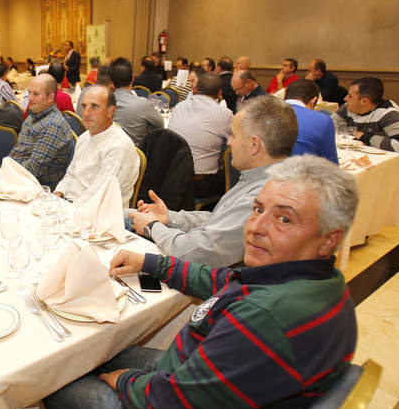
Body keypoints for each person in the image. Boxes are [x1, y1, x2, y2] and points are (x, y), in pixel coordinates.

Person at [45, 153, 359, 409]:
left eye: (284, 218)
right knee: (95, 352)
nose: (256, 226)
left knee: (54, 374)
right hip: (200, 403)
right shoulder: (314, 280)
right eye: (257, 209)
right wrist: (152, 262)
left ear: (328, 239)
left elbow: (167, 404)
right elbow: (223, 279)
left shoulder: (265, 319)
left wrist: (120, 381)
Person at [129, 96, 296, 267]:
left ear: (254, 144)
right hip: (205, 259)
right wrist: (170, 217)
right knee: (126, 215)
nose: (229, 142)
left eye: (233, 135)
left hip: (215, 280)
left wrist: (152, 227)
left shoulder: (264, 195)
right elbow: (219, 220)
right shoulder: (260, 178)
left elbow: (199, 252)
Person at [54, 85, 139, 207]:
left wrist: (64, 211)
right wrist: (56, 196)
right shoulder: (84, 137)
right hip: (69, 205)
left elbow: (98, 196)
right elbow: (71, 175)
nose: (86, 113)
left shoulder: (119, 147)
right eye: (84, 106)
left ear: (111, 111)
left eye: (94, 107)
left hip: (98, 214)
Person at [168, 73, 233, 198]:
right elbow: (234, 142)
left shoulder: (179, 107)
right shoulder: (225, 114)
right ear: (220, 93)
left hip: (172, 177)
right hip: (199, 183)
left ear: (196, 89)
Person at [9, 73, 74, 190]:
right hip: (19, 178)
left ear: (50, 97)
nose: (29, 98)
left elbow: (33, 169)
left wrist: (7, 173)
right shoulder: (33, 116)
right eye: (29, 93)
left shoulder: (53, 126)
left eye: (36, 94)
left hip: (38, 189)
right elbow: (17, 151)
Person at [333, 77, 399, 153]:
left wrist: (364, 136)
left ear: (364, 101)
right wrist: (353, 133)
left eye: (350, 96)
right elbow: (328, 126)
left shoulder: (389, 115)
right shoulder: (347, 107)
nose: (345, 98)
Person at [110, 57, 163, 148]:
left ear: (112, 82)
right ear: (132, 79)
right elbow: (160, 125)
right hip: (136, 157)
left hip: (107, 154)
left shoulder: (103, 103)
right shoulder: (143, 104)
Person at [285, 79, 337, 163]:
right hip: (299, 173)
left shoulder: (262, 111)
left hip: (260, 173)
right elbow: (331, 165)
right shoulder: (322, 121)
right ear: (313, 101)